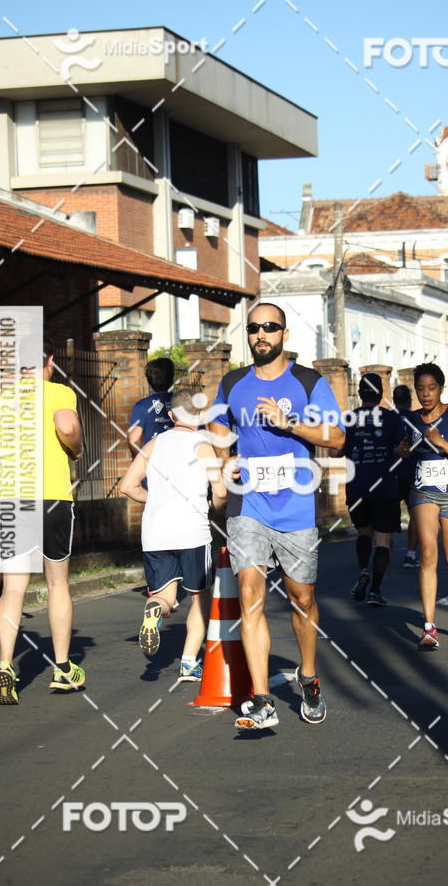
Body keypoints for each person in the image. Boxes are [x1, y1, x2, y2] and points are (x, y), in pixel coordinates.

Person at [209, 302, 344, 730]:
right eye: (253, 328)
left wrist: (290, 424)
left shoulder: (308, 382)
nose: (260, 335)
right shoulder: (232, 383)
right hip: (247, 504)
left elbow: (337, 438)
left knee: (302, 598)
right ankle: (262, 698)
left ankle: (308, 676)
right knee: (250, 593)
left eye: (269, 327)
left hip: (296, 507)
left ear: (285, 334)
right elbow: (216, 428)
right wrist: (224, 461)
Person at [0, 336, 84, 705]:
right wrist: (76, 448)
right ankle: (63, 668)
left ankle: (5, 665)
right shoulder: (58, 393)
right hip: (52, 496)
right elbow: (67, 427)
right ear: (48, 360)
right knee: (57, 585)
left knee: (14, 589)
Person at [120, 389, 227, 681]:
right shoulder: (204, 445)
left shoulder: (154, 443)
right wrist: (213, 508)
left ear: (170, 416)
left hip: (155, 531)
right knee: (198, 598)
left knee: (165, 595)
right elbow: (219, 491)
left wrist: (154, 499)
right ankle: (190, 662)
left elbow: (127, 487)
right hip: (192, 531)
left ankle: (154, 610)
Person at [399, 363, 448, 649]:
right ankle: (429, 626)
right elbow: (405, 446)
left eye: (431, 388)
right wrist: (403, 450)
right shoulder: (411, 419)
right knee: (428, 553)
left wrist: (441, 442)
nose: (426, 394)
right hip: (423, 492)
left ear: (441, 388)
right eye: (420, 389)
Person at [335, 374, 405, 606]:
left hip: (357, 487)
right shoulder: (393, 419)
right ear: (381, 392)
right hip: (385, 487)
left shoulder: (349, 419)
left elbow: (336, 452)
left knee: (363, 533)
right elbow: (400, 451)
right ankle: (375, 590)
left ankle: (363, 569)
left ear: (359, 393)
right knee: (383, 540)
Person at [392, 384, 419, 569]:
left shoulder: (387, 419)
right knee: (414, 515)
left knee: (386, 515)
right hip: (411, 472)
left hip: (391, 473)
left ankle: (383, 550)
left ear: (394, 401)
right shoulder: (416, 419)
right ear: (410, 401)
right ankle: (410, 554)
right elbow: (420, 444)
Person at [128, 357, 175, 459]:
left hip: (152, 465)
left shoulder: (141, 406)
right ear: (172, 379)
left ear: (149, 381)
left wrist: (138, 461)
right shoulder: (182, 403)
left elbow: (134, 440)